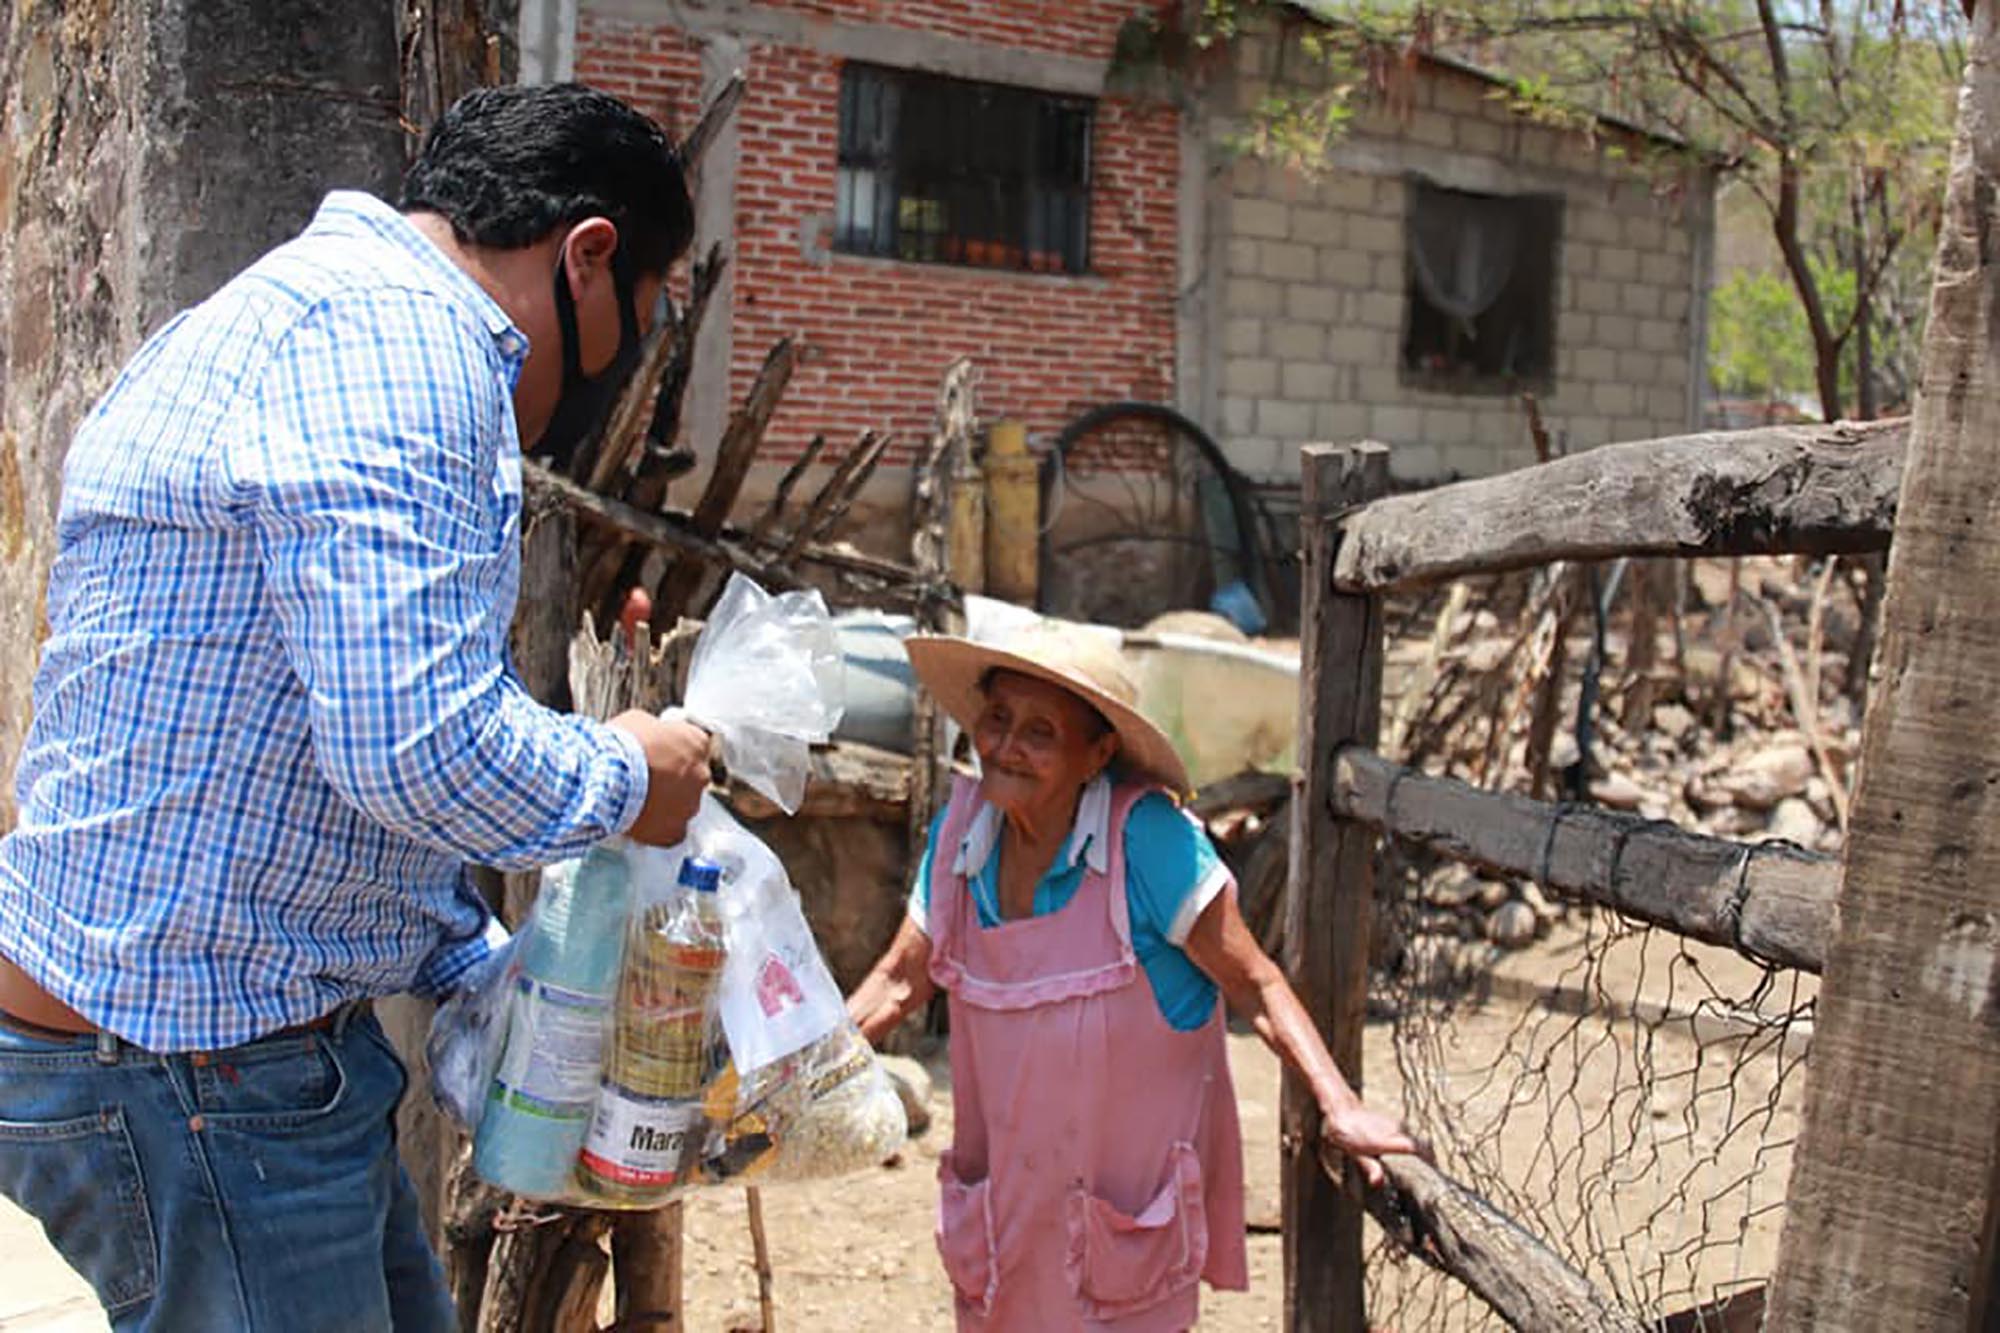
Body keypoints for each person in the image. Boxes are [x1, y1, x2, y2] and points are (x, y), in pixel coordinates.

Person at [0, 84, 713, 1332]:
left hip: (205, 1050)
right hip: (200, 1075)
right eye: (643, 322)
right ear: (587, 256)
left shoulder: (277, 315)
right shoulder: (406, 351)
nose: (626, 372)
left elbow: (281, 737)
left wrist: (476, 965)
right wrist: (628, 773)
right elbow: (414, 746)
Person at [847, 624, 1421, 1331]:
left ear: (1097, 753)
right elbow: (898, 983)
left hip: (1114, 1239)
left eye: (1039, 731)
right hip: (1003, 1226)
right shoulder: (961, 835)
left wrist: (1340, 1105)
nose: (1005, 745)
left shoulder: (1147, 840)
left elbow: (1257, 984)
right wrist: (797, 1076)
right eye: (997, 719)